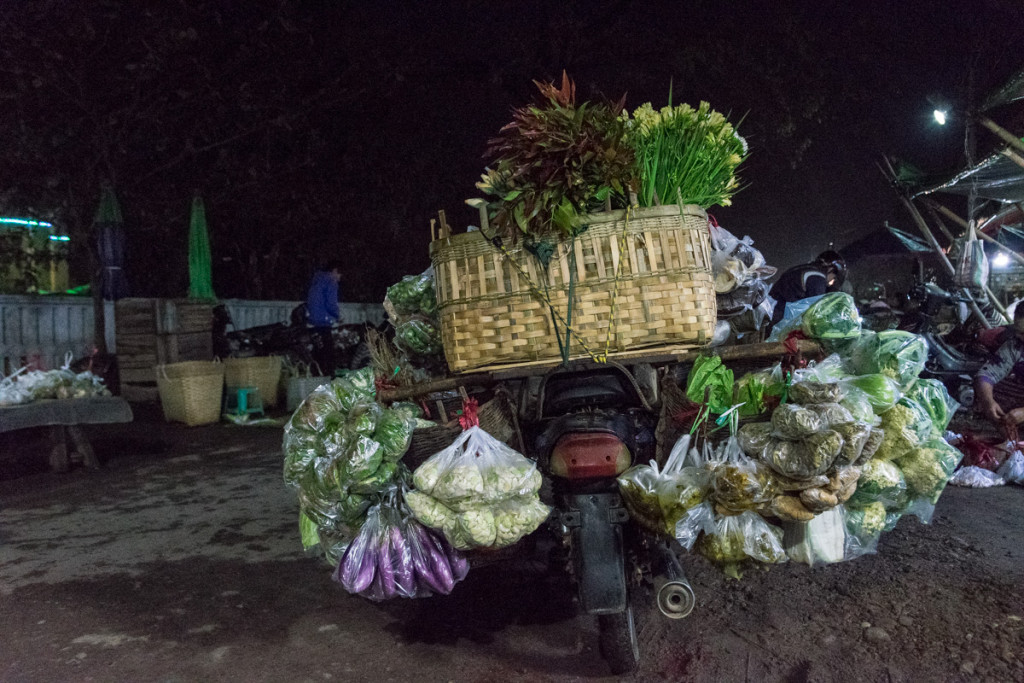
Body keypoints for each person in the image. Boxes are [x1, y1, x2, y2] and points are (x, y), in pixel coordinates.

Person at [974, 303, 1024, 440]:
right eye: (1017, 331)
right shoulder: (1016, 343)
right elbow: (985, 375)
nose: (1019, 337)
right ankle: (1014, 444)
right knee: (991, 393)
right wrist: (988, 402)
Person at [768, 250, 847, 334]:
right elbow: (816, 311)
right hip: (781, 323)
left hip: (770, 317)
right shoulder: (817, 277)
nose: (831, 281)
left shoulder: (800, 269)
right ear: (831, 269)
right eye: (833, 277)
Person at [306, 260, 342, 377]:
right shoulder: (331, 281)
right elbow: (331, 304)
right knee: (328, 352)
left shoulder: (316, 280)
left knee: (318, 352)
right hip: (324, 321)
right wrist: (338, 316)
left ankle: (317, 376)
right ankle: (329, 377)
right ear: (334, 271)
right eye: (339, 274)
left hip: (312, 321)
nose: (339, 278)